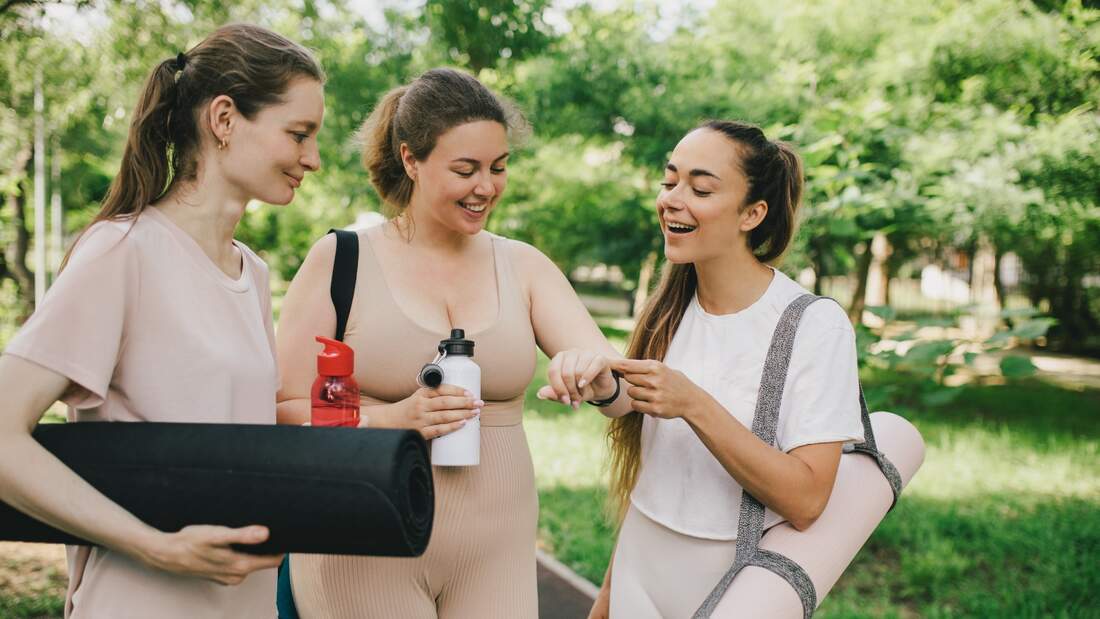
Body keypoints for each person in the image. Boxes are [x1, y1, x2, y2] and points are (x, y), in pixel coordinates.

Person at [274, 67, 633, 619]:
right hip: (363, 542)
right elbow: (283, 410)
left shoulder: (524, 266)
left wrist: (597, 374)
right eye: (465, 169)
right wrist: (393, 418)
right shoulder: (341, 259)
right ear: (411, 160)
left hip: (497, 552)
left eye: (498, 167)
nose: (486, 187)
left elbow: (619, 390)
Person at [0, 24, 325, 619]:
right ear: (224, 119)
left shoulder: (252, 273)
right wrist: (155, 548)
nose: (314, 159)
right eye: (299, 134)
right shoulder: (122, 251)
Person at [538, 120, 866, 618]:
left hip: (735, 583)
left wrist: (693, 403)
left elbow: (806, 499)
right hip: (638, 569)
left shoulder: (813, 325)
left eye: (701, 187)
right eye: (669, 181)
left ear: (752, 213)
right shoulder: (671, 305)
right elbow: (655, 465)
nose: (672, 198)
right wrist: (608, 389)